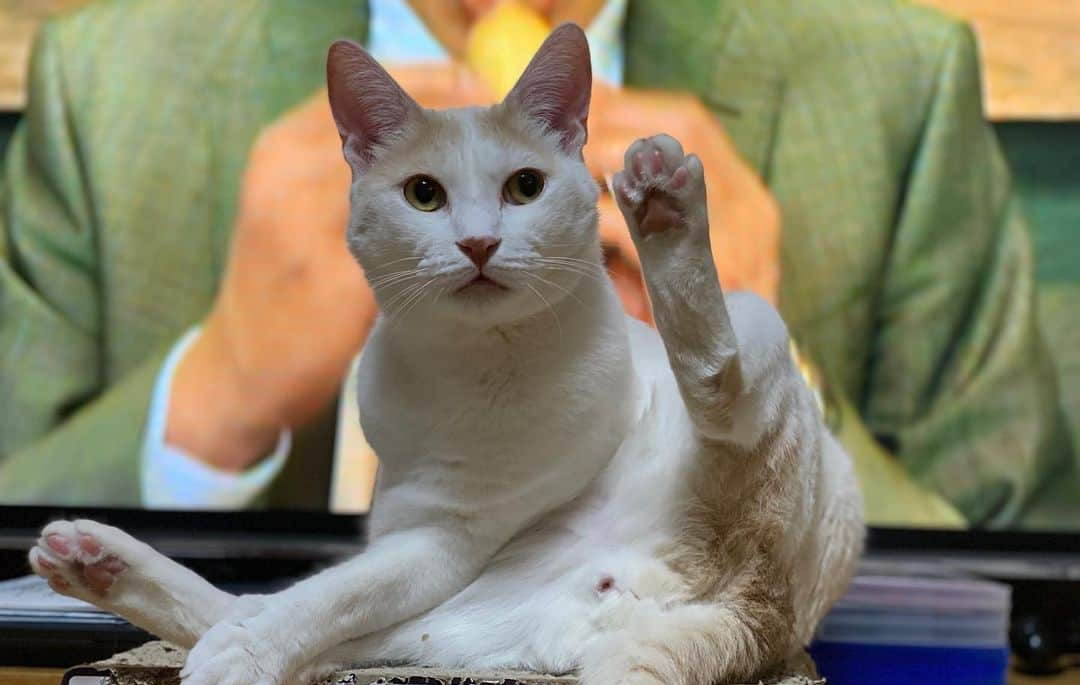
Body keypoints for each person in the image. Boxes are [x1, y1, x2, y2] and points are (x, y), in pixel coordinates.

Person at [0, 0, 1068, 527]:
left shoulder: (894, 82)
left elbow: (1036, 604)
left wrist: (752, 370)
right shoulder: (113, 81)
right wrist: (212, 399)